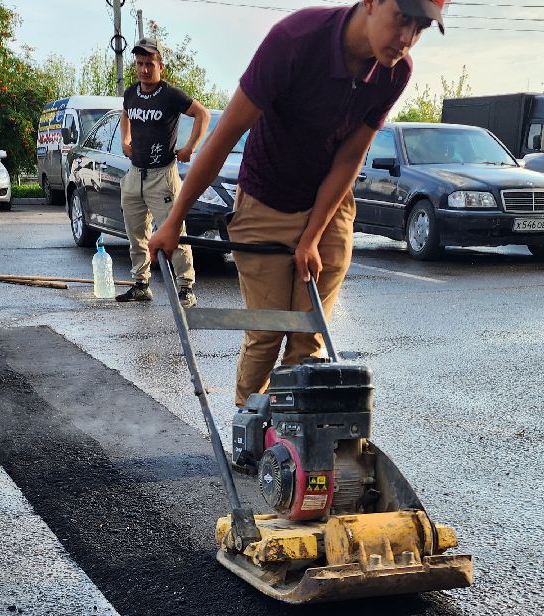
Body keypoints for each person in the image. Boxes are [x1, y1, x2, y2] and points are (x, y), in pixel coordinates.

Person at [148, 0, 444, 405]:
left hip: (329, 201)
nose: (408, 39)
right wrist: (173, 222)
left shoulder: (396, 72)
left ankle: (295, 443)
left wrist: (313, 236)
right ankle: (249, 436)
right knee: (268, 331)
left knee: (309, 335)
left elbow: (349, 157)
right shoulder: (296, 40)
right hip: (266, 196)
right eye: (403, 19)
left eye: (421, 28)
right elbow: (225, 134)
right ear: (373, 2)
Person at [117, 37, 210, 308]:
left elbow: (202, 114)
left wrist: (190, 147)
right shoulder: (132, 93)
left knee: (174, 230)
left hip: (163, 176)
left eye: (149, 64)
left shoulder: (170, 94)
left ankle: (186, 287)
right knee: (136, 232)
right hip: (136, 174)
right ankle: (140, 284)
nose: (144, 70)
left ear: (160, 66)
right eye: (140, 64)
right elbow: (125, 113)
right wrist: (126, 139)